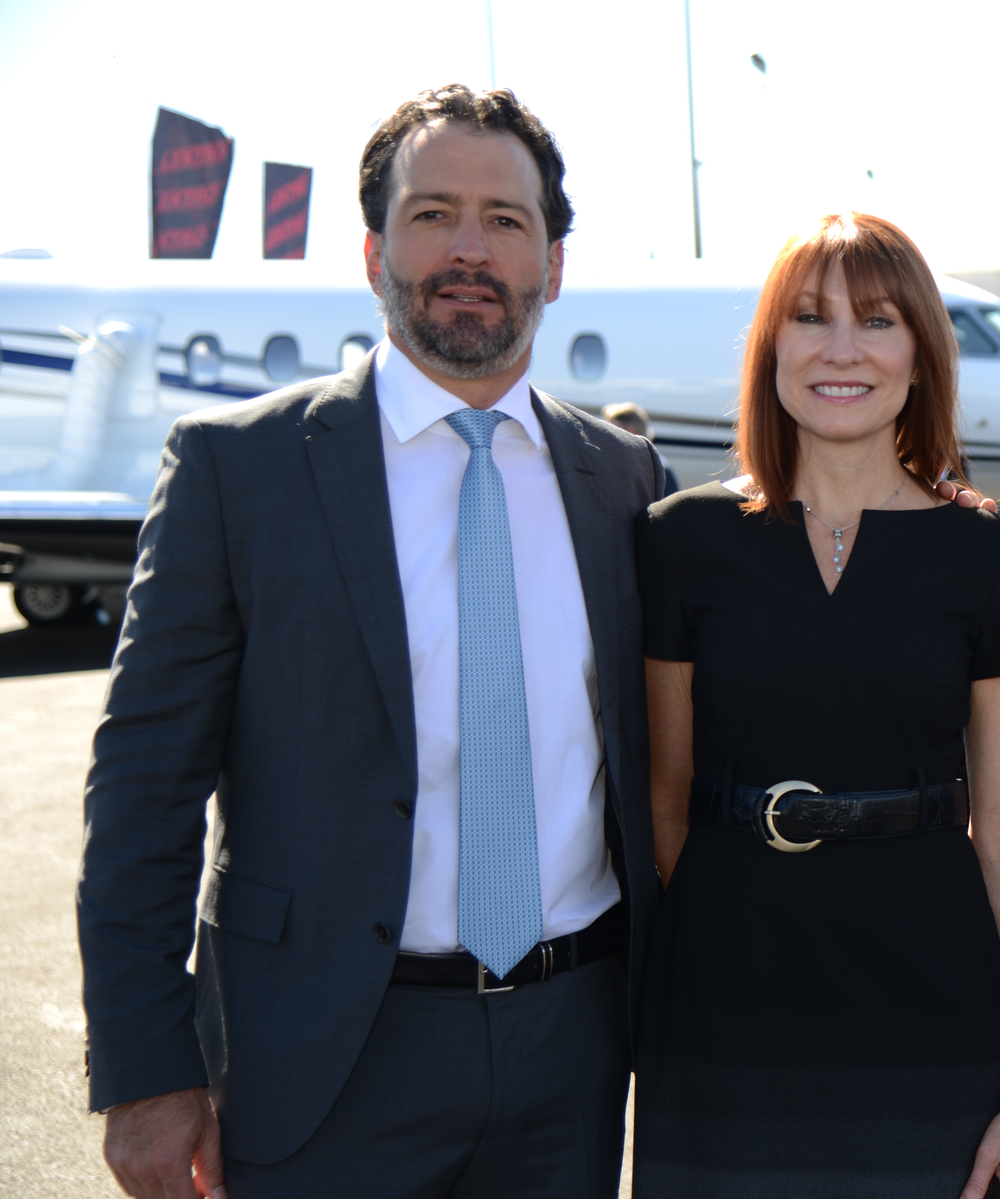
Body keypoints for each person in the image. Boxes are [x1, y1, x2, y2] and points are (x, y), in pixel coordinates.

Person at [77, 85, 670, 1198]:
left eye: (507, 220)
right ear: (371, 249)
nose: (468, 249)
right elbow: (143, 786)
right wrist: (147, 1069)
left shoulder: (622, 480)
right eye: (431, 211)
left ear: (553, 261)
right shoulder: (236, 470)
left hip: (572, 1048)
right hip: (320, 1053)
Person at [634, 212, 1000, 1199]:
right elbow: (665, 800)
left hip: (927, 990)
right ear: (769, 347)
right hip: (724, 997)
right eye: (810, 318)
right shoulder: (678, 540)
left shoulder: (987, 554)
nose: (841, 349)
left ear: (920, 352)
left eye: (876, 321)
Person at [602, 402, 682, 494]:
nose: (607, 437)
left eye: (612, 431)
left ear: (630, 431)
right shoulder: (660, 463)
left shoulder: (639, 466)